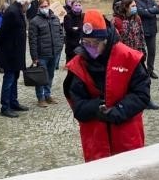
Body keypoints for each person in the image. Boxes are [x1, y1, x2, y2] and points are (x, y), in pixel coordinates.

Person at [63, 9, 150, 162]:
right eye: (86, 43)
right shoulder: (77, 65)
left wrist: (119, 110)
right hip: (96, 143)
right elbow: (78, 106)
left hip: (127, 138)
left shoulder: (128, 57)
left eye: (95, 44)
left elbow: (142, 95)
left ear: (106, 40)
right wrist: (97, 108)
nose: (91, 48)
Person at [0, 0, 33, 118]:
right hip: (9, 52)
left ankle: (13, 102)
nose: (29, 6)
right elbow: (3, 31)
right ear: (24, 2)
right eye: (29, 3)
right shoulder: (12, 11)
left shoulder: (18, 10)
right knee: (9, 79)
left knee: (14, 78)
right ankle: (5, 107)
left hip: (16, 52)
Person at [27, 0, 63, 106]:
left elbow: (61, 33)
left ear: (49, 6)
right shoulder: (34, 21)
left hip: (54, 53)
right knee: (40, 77)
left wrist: (60, 46)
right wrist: (34, 57)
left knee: (50, 75)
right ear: (39, 8)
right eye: (42, 7)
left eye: (46, 6)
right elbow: (32, 40)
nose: (44, 8)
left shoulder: (55, 19)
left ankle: (48, 95)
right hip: (42, 55)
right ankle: (40, 98)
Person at [135, 0, 159, 72]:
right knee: (141, 52)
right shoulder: (136, 1)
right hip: (142, 31)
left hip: (152, 30)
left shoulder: (150, 0)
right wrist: (151, 10)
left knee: (152, 52)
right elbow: (141, 12)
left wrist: (148, 10)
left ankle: (150, 70)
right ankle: (141, 71)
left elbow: (158, 9)